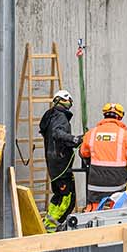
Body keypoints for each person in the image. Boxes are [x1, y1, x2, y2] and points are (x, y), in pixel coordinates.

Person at [79, 101, 127, 208]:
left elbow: (83, 153)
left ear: (104, 116)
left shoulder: (91, 133)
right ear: (120, 117)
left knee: (94, 208)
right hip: (117, 184)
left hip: (96, 183)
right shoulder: (125, 135)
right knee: (116, 209)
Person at [39, 89, 83, 228]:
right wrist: (75, 139)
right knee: (67, 200)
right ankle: (52, 227)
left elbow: (57, 139)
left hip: (54, 166)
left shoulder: (50, 116)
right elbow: (58, 134)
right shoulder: (60, 117)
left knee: (58, 196)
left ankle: (47, 223)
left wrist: (74, 141)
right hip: (61, 166)